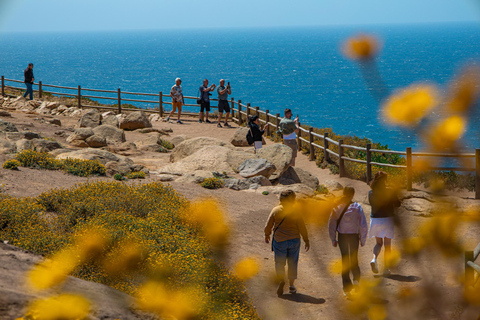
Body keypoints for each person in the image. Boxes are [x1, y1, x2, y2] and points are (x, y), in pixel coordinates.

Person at [264, 190, 310, 297]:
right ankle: (291, 286)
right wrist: (306, 240)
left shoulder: (276, 210)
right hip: (294, 240)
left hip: (280, 240)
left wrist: (267, 235)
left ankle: (280, 279)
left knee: (279, 262)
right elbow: (302, 227)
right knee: (293, 262)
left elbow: (268, 225)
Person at [328, 186, 368, 296]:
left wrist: (333, 239)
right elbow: (363, 225)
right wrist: (363, 239)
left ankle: (346, 288)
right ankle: (356, 280)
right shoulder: (357, 207)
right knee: (354, 259)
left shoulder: (337, 206)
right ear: (353, 195)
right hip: (354, 236)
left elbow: (331, 224)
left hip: (342, 237)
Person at [368, 171, 401, 275]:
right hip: (387, 218)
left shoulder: (371, 192)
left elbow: (372, 204)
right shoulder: (389, 191)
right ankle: (386, 269)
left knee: (378, 243)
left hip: (376, 219)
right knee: (387, 245)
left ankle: (374, 259)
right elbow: (397, 204)